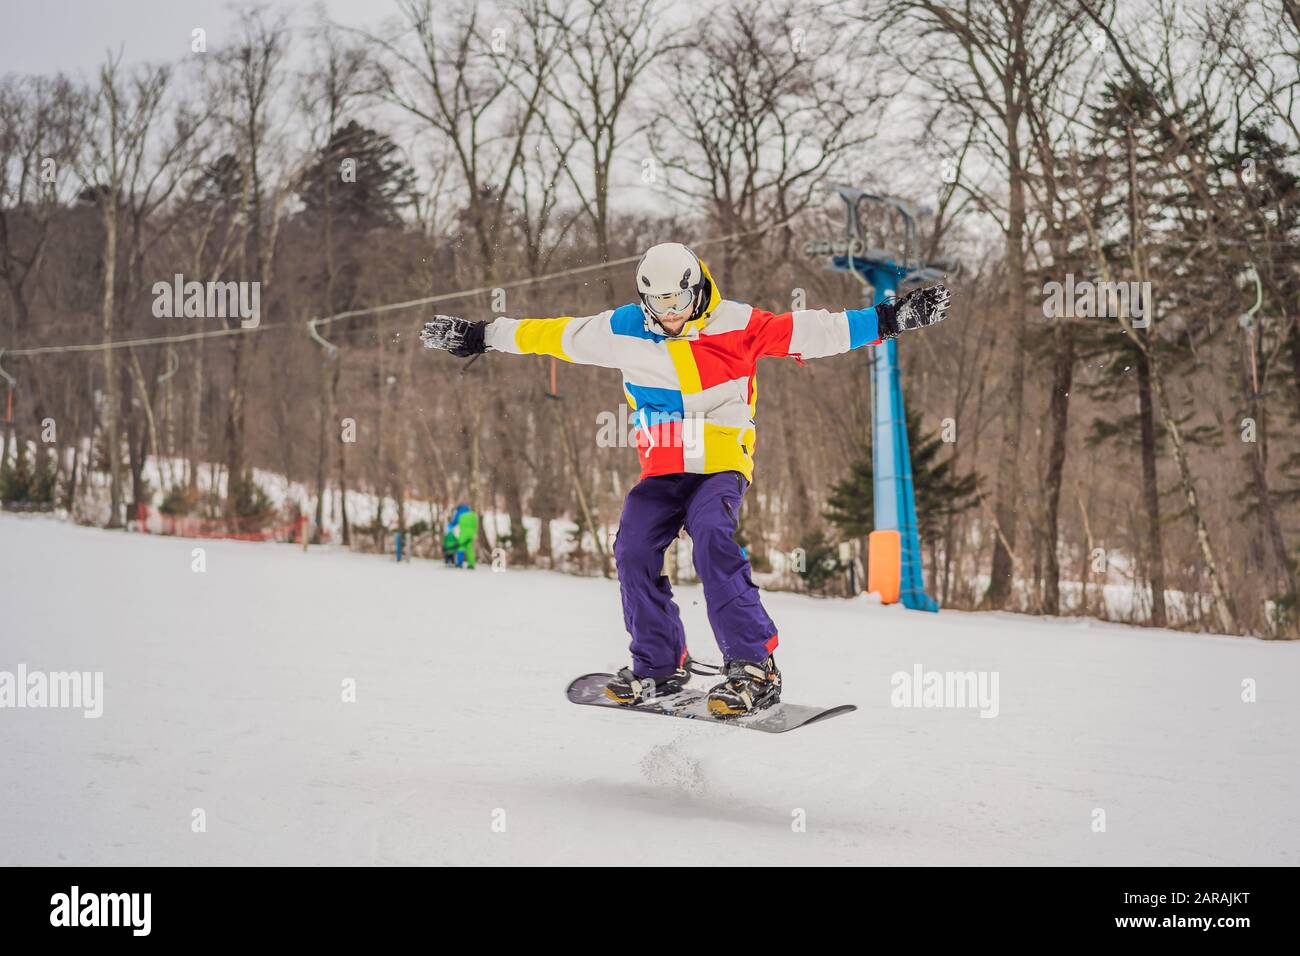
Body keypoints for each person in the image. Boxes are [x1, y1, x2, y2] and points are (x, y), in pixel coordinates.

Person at [421, 242, 949, 716]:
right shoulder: (621, 329)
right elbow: (551, 334)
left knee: (712, 539)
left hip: (720, 461)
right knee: (631, 548)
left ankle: (753, 667)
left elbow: (816, 330)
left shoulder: (737, 323)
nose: (670, 315)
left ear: (696, 290)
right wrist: (481, 335)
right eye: (659, 306)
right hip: (664, 467)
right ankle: (659, 665)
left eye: (678, 302)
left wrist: (890, 317)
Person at [446, 503, 477, 569]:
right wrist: (474, 533)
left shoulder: (460, 514)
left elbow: (454, 522)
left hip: (463, 534)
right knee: (469, 549)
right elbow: (476, 525)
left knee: (460, 547)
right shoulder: (472, 514)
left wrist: (449, 527)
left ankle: (459, 563)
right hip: (471, 534)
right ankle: (471, 564)